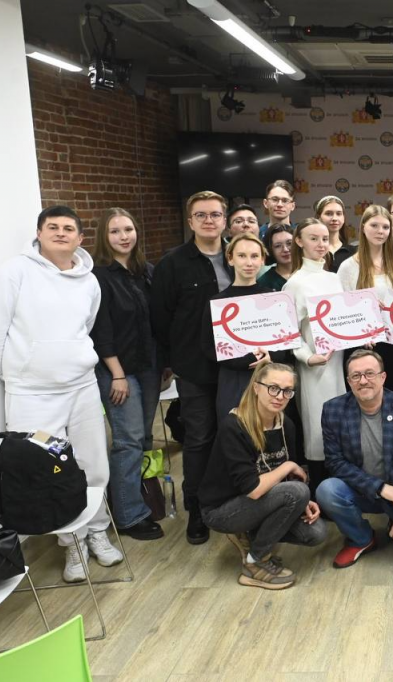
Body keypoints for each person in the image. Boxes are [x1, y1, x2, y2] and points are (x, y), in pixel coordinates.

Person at [0, 205, 123, 582]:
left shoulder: (88, 281)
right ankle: (72, 543)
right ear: (39, 233)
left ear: (80, 238)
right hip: (33, 395)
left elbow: (86, 327)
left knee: (93, 463)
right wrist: (22, 372)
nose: (61, 233)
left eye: (68, 228)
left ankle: (98, 532)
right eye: (53, 227)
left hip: (81, 388)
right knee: (51, 468)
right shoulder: (14, 273)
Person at [151, 190, 233, 544]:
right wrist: (172, 363)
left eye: (215, 214)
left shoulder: (238, 256)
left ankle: (234, 501)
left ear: (225, 220)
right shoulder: (172, 264)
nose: (209, 220)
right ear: (190, 221)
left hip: (238, 367)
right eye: (201, 215)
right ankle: (197, 510)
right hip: (195, 369)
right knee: (199, 439)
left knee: (235, 434)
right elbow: (160, 318)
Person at [199, 363, 327, 589]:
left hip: (261, 502)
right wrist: (289, 468)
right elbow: (254, 489)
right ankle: (255, 563)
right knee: (298, 491)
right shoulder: (235, 425)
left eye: (287, 391)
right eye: (273, 388)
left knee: (316, 533)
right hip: (223, 509)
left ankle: (251, 534)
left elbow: (287, 483)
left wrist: (302, 502)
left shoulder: (286, 424)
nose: (280, 396)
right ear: (256, 388)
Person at [316, 350, 393, 574]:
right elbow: (335, 462)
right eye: (356, 376)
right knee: (327, 490)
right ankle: (362, 538)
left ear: (383, 377)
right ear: (348, 381)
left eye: (369, 373)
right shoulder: (333, 410)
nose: (363, 381)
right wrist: (380, 488)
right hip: (364, 492)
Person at [90, 207, 163, 541]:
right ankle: (128, 516)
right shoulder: (98, 276)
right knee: (128, 441)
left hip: (149, 365)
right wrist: (117, 374)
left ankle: (139, 501)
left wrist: (165, 363)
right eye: (115, 231)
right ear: (104, 237)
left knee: (143, 438)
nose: (123, 237)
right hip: (117, 370)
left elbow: (155, 322)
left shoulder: (146, 271)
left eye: (128, 229)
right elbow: (101, 329)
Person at [283, 219, 346, 492]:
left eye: (324, 238)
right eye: (313, 238)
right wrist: (307, 357)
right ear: (299, 241)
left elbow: (345, 319)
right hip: (315, 368)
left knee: (341, 423)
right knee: (317, 426)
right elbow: (289, 331)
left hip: (340, 363)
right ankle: (320, 492)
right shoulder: (295, 284)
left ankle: (340, 488)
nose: (321, 244)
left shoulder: (334, 278)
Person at [207, 233, 292, 420]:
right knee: (236, 430)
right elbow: (208, 347)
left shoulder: (275, 298)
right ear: (230, 259)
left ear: (262, 260)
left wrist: (271, 356)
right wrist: (245, 360)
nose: (249, 262)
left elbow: (286, 344)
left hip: (271, 377)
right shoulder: (218, 302)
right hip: (234, 380)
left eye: (254, 256)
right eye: (241, 256)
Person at [337, 204, 393, 395]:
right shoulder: (348, 267)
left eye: (385, 227)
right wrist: (364, 312)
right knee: (364, 397)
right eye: (374, 225)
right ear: (363, 228)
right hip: (362, 345)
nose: (380, 231)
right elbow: (342, 310)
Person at [316, 195, 354, 272]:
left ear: (343, 218)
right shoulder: (311, 250)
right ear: (319, 217)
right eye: (328, 213)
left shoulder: (354, 252)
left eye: (339, 214)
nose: (334, 218)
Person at [257, 224, 295, 291]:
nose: (285, 249)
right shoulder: (264, 283)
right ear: (270, 250)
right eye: (278, 246)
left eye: (289, 243)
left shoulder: (310, 272)